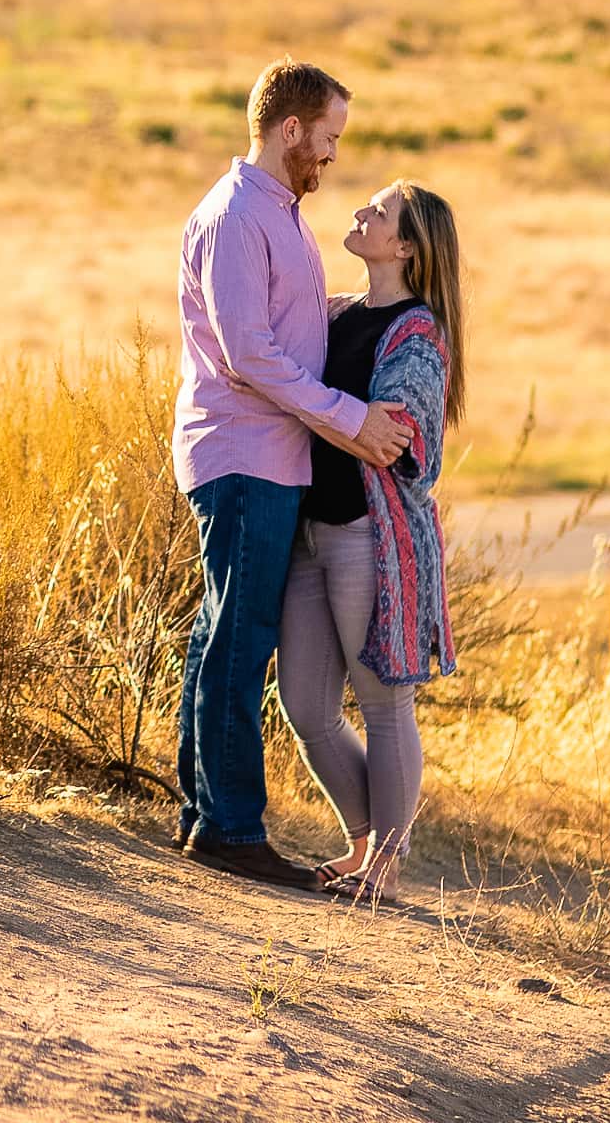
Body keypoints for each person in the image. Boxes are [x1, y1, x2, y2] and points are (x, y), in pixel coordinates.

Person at [173, 58, 413, 891]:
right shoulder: (241, 215)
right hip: (245, 454)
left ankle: (205, 814)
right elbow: (248, 356)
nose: (333, 155)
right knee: (239, 641)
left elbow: (290, 334)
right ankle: (231, 829)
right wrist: (350, 422)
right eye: (329, 137)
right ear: (289, 131)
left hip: (267, 458)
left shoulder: (273, 213)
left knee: (219, 635)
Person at [278, 181, 464, 905]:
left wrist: (310, 403)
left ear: (406, 248)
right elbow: (334, 411)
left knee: (383, 705)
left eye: (378, 213)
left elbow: (393, 441)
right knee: (305, 707)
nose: (360, 213)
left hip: (367, 538)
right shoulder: (333, 317)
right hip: (308, 535)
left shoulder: (417, 335)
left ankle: (384, 866)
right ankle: (361, 841)